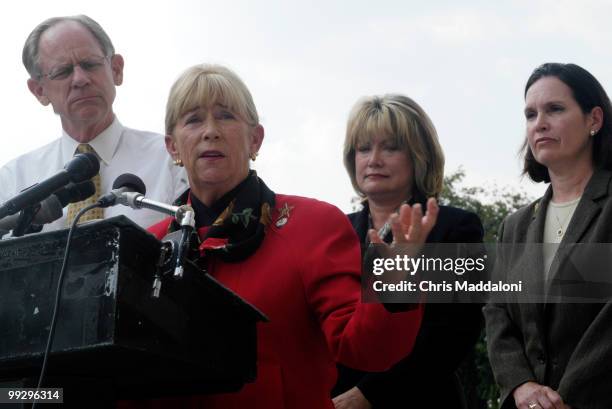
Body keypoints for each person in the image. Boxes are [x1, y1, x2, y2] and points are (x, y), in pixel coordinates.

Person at [136, 64, 431, 409]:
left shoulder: (314, 225)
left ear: (255, 139)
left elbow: (366, 350)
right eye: (193, 120)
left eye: (227, 116)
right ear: (172, 147)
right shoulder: (147, 246)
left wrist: (394, 287)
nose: (211, 131)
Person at [332, 94, 484, 409]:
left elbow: (450, 335)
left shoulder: (455, 228)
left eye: (390, 147)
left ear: (418, 155)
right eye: (363, 148)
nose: (373, 159)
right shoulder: (335, 233)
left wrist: (368, 396)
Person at [484, 63, 612, 409]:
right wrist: (522, 385)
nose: (539, 123)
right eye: (530, 114)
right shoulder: (516, 226)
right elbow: (497, 313)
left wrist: (565, 398)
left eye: (554, 109)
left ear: (594, 120)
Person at [0, 15, 187, 230]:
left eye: (90, 64)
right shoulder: (12, 182)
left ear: (116, 70)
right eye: (63, 71)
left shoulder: (171, 162)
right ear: (39, 91)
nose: (80, 79)